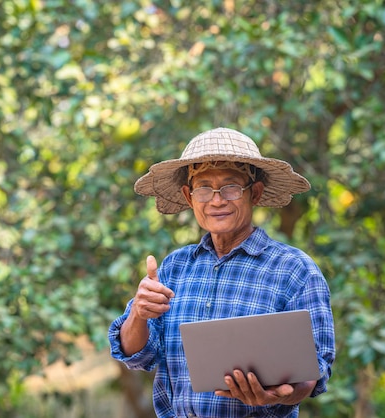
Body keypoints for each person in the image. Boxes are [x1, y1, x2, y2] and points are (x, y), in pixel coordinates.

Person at [108, 127, 335, 418]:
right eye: (204, 188)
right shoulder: (175, 268)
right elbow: (137, 355)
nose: (216, 201)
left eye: (231, 188)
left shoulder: (294, 270)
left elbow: (313, 371)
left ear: (255, 193)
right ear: (189, 197)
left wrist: (274, 395)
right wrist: (138, 314)